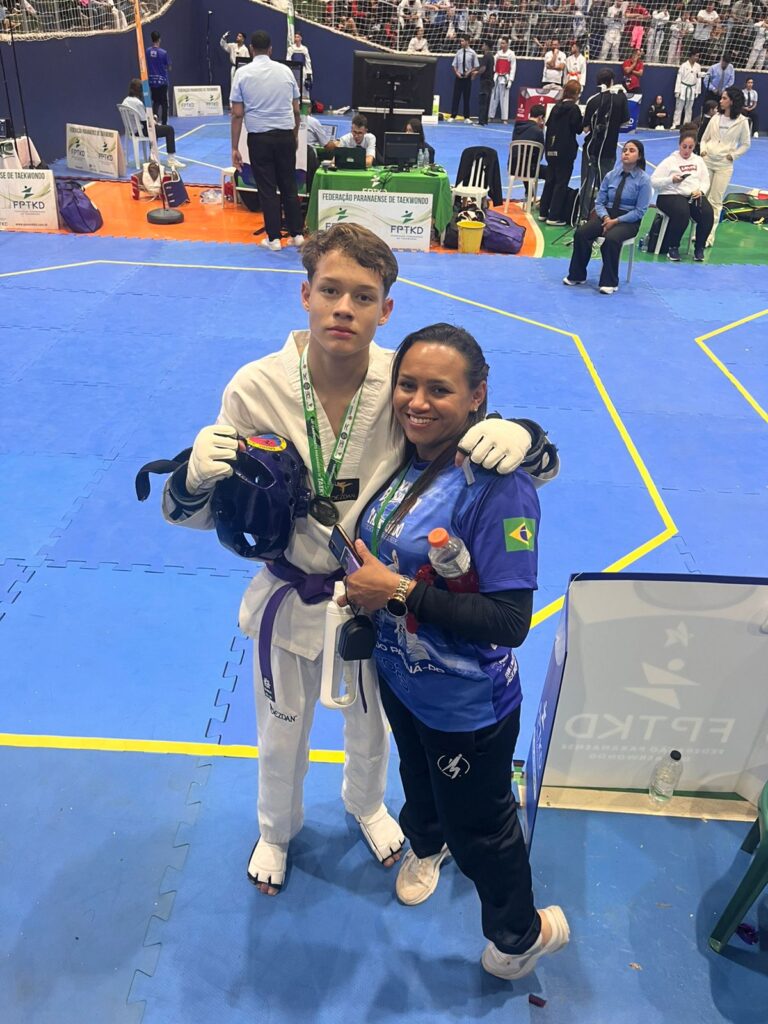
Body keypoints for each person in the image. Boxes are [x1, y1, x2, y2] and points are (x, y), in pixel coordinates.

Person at [160, 224, 551, 896]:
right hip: (289, 594)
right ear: (305, 295)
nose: (344, 308)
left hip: (375, 599)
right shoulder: (255, 387)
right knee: (281, 729)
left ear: (385, 309)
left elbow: (475, 452)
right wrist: (192, 481)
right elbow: (216, 513)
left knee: (374, 727)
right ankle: (275, 828)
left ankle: (367, 806)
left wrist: (525, 436)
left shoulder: (402, 385)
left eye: (363, 297)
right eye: (331, 291)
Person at [341, 322, 569, 982]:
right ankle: (427, 843)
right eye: (407, 385)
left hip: (469, 704)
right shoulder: (403, 456)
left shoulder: (500, 486)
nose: (417, 402)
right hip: (402, 675)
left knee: (484, 829)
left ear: (477, 396)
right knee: (417, 779)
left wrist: (397, 590)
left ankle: (523, 935)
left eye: (439, 390)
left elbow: (509, 622)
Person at [230, 31, 304, 253]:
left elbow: (237, 114)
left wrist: (234, 147)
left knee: (267, 188)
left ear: (252, 49)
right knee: (289, 185)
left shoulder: (242, 73)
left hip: (260, 139)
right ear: (271, 49)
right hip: (285, 136)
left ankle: (274, 239)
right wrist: (295, 136)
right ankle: (297, 234)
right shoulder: (286, 71)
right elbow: (296, 110)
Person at [565, 139, 652, 294]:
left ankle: (609, 281)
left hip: (628, 220)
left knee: (611, 239)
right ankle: (577, 275)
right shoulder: (611, 175)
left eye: (632, 151)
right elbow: (599, 202)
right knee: (581, 233)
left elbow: (640, 211)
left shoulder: (644, 180)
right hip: (607, 215)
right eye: (625, 150)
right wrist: (606, 218)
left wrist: (616, 221)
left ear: (639, 156)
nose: (626, 153)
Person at [650, 128, 714, 262]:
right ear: (679, 145)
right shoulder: (670, 161)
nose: (687, 150)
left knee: (707, 213)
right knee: (682, 213)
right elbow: (653, 181)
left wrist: (701, 191)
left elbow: (705, 180)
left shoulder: (698, 161)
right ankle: (673, 247)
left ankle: (699, 248)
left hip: (692, 195)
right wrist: (671, 180)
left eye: (690, 147)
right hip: (670, 194)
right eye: (684, 147)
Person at [700, 85, 751, 245]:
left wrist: (733, 155)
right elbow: (704, 138)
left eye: (724, 98)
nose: (720, 101)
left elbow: (745, 144)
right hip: (707, 162)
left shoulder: (742, 121)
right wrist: (703, 151)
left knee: (715, 201)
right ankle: (697, 232)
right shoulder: (715, 118)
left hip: (724, 166)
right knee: (702, 198)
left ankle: (708, 236)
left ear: (732, 101)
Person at [579, 68, 630, 221]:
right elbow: (625, 122)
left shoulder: (592, 100)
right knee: (606, 184)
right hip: (608, 149)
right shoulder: (621, 98)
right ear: (612, 81)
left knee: (586, 183)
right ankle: (602, 218)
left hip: (591, 149)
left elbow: (585, 128)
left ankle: (583, 216)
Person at [540, 81, 583, 226]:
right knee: (561, 183)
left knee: (550, 180)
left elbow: (548, 125)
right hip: (565, 151)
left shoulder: (556, 107)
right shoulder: (574, 109)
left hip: (551, 149)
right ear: (576, 94)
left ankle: (543, 212)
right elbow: (578, 129)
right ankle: (554, 216)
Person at [121, 78, 184, 170]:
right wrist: (153, 119)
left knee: (155, 128)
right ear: (140, 90)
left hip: (132, 130)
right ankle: (171, 160)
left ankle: (152, 156)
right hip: (140, 130)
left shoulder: (125, 100)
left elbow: (141, 117)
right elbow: (144, 121)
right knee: (169, 129)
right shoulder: (138, 103)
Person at [450, 36, 479, 121]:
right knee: (456, 97)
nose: (461, 43)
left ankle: (466, 117)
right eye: (461, 41)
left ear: (467, 42)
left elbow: (476, 66)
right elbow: (454, 65)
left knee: (466, 97)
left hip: (467, 78)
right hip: (459, 77)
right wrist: (457, 72)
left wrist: (469, 72)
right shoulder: (458, 52)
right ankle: (453, 116)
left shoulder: (472, 53)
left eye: (462, 41)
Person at [672, 50, 703, 128]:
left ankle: (687, 124)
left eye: (698, 56)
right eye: (696, 56)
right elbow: (679, 78)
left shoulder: (698, 66)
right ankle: (675, 124)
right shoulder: (684, 65)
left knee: (689, 108)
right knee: (679, 107)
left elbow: (698, 79)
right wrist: (677, 90)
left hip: (692, 88)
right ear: (691, 56)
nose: (697, 58)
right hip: (683, 88)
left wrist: (697, 91)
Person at [489, 37, 517, 123]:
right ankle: (490, 116)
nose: (502, 45)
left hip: (505, 77)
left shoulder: (511, 54)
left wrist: (510, 80)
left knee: (504, 98)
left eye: (504, 43)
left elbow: (513, 67)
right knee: (494, 97)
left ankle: (504, 118)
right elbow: (494, 64)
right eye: (501, 43)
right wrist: (493, 74)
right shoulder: (498, 53)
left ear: (508, 44)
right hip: (497, 76)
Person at [145, 30, 170, 126]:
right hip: (162, 82)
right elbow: (169, 66)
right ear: (159, 39)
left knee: (155, 101)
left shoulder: (147, 51)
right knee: (164, 103)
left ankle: (154, 119)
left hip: (152, 81)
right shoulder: (163, 53)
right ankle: (164, 123)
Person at [287, 31, 313, 98]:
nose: (296, 39)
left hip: (302, 70)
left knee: (304, 85)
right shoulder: (291, 49)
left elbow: (308, 61)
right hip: (294, 70)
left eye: (298, 37)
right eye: (295, 37)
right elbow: (288, 60)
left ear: (301, 38)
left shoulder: (304, 49)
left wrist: (309, 73)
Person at [476, 40, 495, 126]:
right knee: (487, 101)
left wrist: (476, 73)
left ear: (487, 46)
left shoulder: (486, 56)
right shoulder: (492, 56)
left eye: (483, 45)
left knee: (483, 101)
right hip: (490, 81)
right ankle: (485, 120)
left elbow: (483, 68)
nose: (482, 46)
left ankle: (481, 121)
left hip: (485, 81)